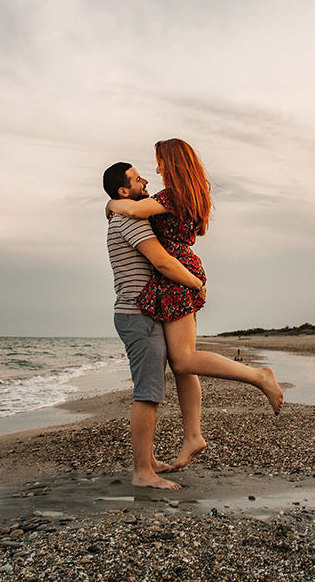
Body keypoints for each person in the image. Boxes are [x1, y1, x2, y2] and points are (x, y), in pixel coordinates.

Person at [105, 139, 284, 435]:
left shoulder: (171, 197)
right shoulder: (191, 195)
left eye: (161, 162)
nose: (157, 169)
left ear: (173, 164)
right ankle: (193, 436)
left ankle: (259, 377)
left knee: (185, 359)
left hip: (176, 276)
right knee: (183, 364)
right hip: (182, 272)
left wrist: (111, 202)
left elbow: (135, 212)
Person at [104, 161, 207, 490]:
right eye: (136, 179)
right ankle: (142, 473)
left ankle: (147, 462)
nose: (145, 180)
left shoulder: (128, 214)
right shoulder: (130, 219)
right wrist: (197, 283)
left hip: (138, 313)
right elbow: (162, 261)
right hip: (138, 314)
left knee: (151, 389)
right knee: (147, 394)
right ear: (124, 191)